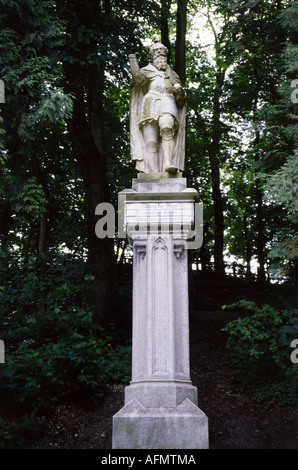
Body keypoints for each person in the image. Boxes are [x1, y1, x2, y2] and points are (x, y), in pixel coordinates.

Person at [129, 41, 186, 174]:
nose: (162, 60)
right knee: (151, 141)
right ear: (153, 59)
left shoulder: (172, 75)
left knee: (167, 128)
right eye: (158, 58)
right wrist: (133, 62)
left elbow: (181, 98)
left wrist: (181, 93)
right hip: (150, 103)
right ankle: (152, 172)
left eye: (164, 58)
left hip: (168, 101)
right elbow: (137, 80)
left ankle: (167, 163)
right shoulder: (146, 71)